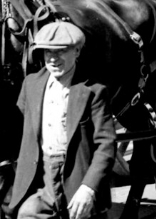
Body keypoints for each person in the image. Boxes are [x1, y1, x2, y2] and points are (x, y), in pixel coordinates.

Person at [9, 19, 116, 219]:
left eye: (61, 51)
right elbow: (19, 130)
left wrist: (89, 188)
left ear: (76, 51)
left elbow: (106, 145)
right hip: (42, 179)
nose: (53, 59)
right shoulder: (31, 84)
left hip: (78, 178)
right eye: (48, 52)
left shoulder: (93, 91)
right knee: (27, 214)